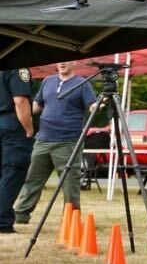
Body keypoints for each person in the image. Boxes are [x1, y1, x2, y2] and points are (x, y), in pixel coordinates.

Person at [15, 61, 97, 224]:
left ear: (74, 62)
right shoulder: (47, 81)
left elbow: (91, 105)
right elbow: (37, 105)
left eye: (67, 60)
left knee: (69, 183)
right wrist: (18, 112)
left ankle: (71, 221)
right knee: (32, 180)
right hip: (43, 139)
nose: (62, 63)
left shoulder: (83, 83)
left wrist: (97, 106)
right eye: (60, 61)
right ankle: (21, 215)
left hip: (69, 141)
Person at [0, 68, 34, 234]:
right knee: (13, 172)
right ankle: (3, 222)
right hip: (11, 124)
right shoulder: (17, 67)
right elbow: (20, 101)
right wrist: (28, 129)